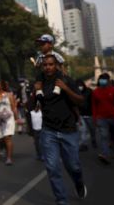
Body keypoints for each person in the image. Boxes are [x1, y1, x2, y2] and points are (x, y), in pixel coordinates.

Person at [34, 54, 87, 204]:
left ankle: (78, 182)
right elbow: (32, 106)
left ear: (56, 65)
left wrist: (66, 89)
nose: (48, 67)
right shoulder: (39, 82)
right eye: (45, 65)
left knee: (74, 166)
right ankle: (61, 200)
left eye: (51, 64)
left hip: (68, 130)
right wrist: (34, 91)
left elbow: (81, 101)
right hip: (49, 130)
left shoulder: (65, 79)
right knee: (52, 168)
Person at [92, 73, 114, 164]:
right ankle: (105, 154)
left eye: (105, 79)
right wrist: (94, 119)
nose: (103, 81)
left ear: (108, 81)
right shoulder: (95, 92)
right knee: (104, 136)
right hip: (102, 119)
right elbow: (94, 106)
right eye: (101, 79)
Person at [34, 34, 65, 98]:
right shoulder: (40, 56)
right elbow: (38, 66)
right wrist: (37, 66)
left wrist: (64, 74)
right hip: (45, 78)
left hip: (55, 77)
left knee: (58, 73)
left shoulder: (56, 55)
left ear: (50, 45)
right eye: (40, 44)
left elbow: (62, 65)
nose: (41, 46)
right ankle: (39, 92)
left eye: (43, 44)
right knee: (39, 76)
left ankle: (57, 88)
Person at [76, 79, 96, 150]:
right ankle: (83, 144)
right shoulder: (75, 92)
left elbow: (93, 103)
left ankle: (94, 140)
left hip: (89, 114)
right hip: (81, 115)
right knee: (83, 130)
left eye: (80, 85)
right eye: (78, 86)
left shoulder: (89, 91)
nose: (79, 87)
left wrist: (94, 114)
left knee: (92, 129)